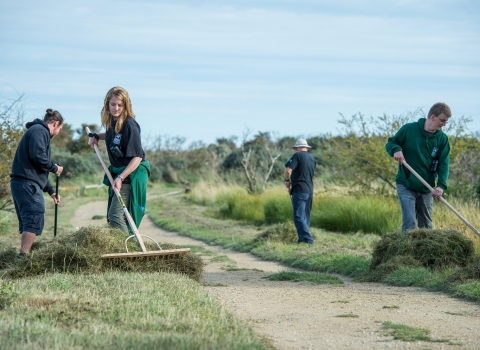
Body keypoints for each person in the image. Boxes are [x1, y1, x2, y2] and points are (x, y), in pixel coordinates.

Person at [88, 86, 150, 234]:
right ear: (107, 105)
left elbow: (137, 157)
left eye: (120, 105)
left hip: (132, 173)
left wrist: (121, 177)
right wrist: (96, 136)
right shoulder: (112, 122)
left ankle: (126, 250)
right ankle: (127, 248)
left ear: (125, 105)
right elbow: (111, 135)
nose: (116, 108)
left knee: (115, 216)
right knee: (116, 217)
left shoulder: (130, 124)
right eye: (113, 104)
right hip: (121, 172)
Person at [386, 102, 451, 233]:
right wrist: (396, 149)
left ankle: (424, 253)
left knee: (426, 225)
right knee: (409, 222)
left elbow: (444, 163)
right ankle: (406, 252)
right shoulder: (409, 129)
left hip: (426, 186)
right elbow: (391, 142)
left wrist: (441, 185)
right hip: (406, 183)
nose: (444, 124)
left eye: (446, 122)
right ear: (433, 117)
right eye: (442, 120)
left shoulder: (442, 139)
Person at [10, 109, 64, 254]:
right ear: (56, 124)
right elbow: (38, 156)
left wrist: (51, 190)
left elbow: (36, 169)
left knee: (30, 218)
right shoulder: (39, 131)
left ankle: (25, 253)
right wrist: (54, 168)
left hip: (24, 182)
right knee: (34, 216)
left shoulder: (37, 131)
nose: (58, 133)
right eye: (59, 129)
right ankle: (23, 257)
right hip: (26, 183)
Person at [284, 139, 316, 244]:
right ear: (306, 148)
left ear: (297, 148)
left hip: (299, 189)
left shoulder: (297, 156)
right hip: (309, 190)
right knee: (305, 216)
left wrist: (287, 181)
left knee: (298, 216)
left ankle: (308, 240)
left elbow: (288, 170)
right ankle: (302, 240)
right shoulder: (312, 159)